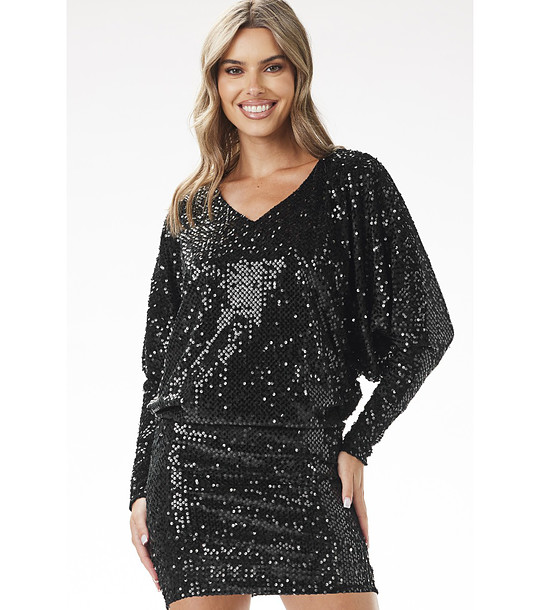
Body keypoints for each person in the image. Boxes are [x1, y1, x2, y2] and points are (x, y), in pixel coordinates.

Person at [128, 1, 454, 609]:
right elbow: (160, 365)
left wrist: (359, 443)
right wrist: (139, 486)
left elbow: (427, 330)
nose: (252, 87)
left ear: (299, 73)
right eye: (233, 69)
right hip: (190, 475)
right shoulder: (192, 207)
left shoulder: (352, 182)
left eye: (271, 67)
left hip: (307, 465)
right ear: (214, 82)